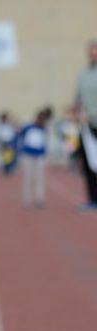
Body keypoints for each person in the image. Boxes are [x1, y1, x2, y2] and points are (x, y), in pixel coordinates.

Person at [74, 39, 97, 212]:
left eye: (94, 51)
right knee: (89, 165)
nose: (92, 54)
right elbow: (78, 100)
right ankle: (92, 199)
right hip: (87, 126)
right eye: (90, 51)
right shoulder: (83, 75)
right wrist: (75, 111)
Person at [17, 108, 52, 209]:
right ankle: (26, 200)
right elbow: (20, 134)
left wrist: (45, 154)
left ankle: (39, 199)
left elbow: (45, 143)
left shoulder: (44, 129)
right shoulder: (28, 127)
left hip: (39, 157)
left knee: (39, 178)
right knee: (28, 178)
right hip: (28, 156)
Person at [0, 111, 17, 175]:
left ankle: (9, 169)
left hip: (9, 142)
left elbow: (13, 132)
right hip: (3, 142)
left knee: (10, 157)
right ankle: (5, 169)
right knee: (4, 157)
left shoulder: (9, 125)